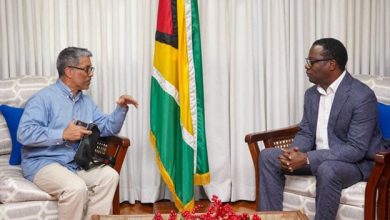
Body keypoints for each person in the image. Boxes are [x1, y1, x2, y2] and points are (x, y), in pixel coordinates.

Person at [259, 38, 384, 220]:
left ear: (331, 64)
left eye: (311, 61)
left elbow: (355, 149)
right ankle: (270, 217)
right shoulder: (311, 94)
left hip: (357, 164)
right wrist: (294, 153)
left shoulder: (362, 96)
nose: (306, 66)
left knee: (328, 169)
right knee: (268, 157)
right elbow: (306, 132)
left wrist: (308, 158)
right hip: (320, 158)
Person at [17, 47, 138, 220]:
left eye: (91, 69)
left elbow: (107, 128)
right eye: (87, 69)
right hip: (43, 163)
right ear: (69, 71)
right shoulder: (43, 98)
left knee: (110, 176)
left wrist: (121, 108)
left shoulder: (87, 102)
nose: (91, 74)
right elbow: (24, 133)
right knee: (76, 188)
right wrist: (62, 134)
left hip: (75, 163)